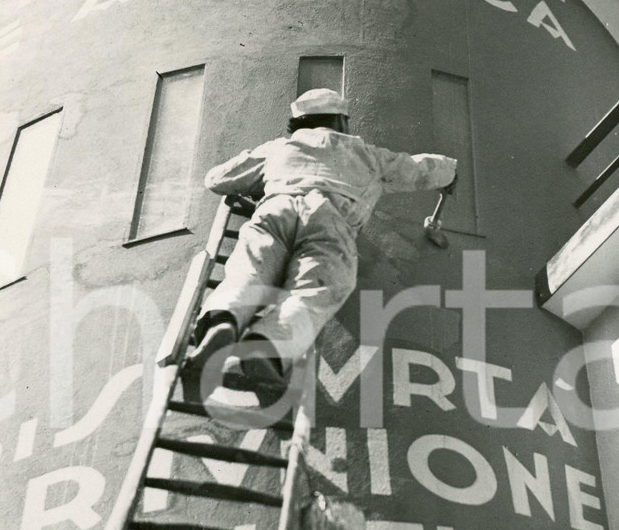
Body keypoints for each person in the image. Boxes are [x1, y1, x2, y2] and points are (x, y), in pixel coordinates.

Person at [184, 87, 458, 391]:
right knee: (315, 290)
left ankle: (222, 325)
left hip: (275, 209)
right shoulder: (369, 155)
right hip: (330, 220)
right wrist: (450, 172)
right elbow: (418, 169)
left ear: (299, 123)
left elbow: (216, 179)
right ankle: (267, 348)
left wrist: (259, 181)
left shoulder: (279, 148)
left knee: (247, 274)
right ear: (340, 121)